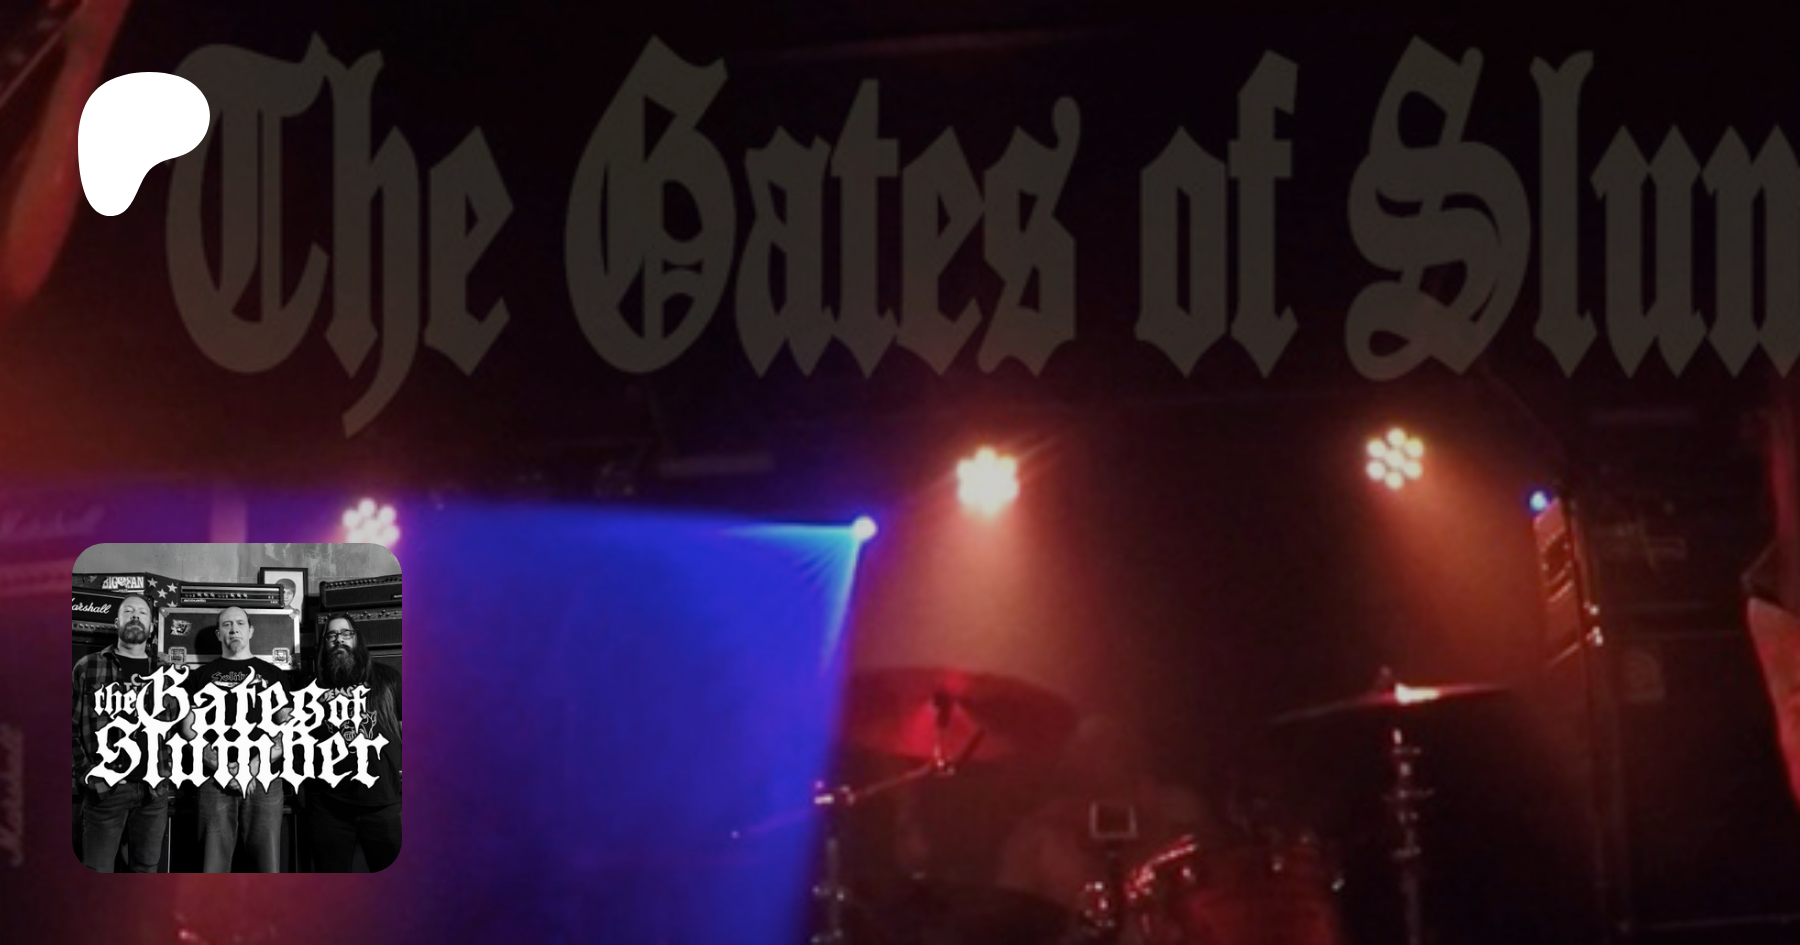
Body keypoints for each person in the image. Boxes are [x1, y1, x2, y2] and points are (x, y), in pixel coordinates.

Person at [996, 716, 1223, 942]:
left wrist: (1152, 828)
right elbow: (1010, 914)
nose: (1099, 758)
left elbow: (1216, 883)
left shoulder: (1176, 807)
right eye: (1087, 749)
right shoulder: (1042, 832)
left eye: (1113, 746)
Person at [179, 606, 292, 872]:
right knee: (212, 868)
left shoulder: (274, 675)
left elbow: (286, 730)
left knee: (267, 868)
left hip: (263, 780)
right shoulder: (198, 677)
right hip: (213, 781)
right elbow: (187, 729)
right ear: (219, 634)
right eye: (227, 624)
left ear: (250, 631)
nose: (234, 629)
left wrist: (252, 768)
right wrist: (221, 768)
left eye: (240, 623)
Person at [71, 593, 176, 871]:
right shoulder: (88, 667)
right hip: (106, 790)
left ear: (151, 627)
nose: (135, 615)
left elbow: (176, 729)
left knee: (146, 872)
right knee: (98, 874)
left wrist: (167, 773)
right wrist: (87, 776)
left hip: (154, 792)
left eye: (142, 612)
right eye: (128, 611)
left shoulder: (166, 673)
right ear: (117, 622)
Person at [303, 613, 401, 871]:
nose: (339, 640)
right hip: (327, 807)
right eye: (332, 635)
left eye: (346, 633)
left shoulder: (387, 678)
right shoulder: (310, 687)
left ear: (357, 639)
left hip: (381, 803)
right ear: (324, 643)